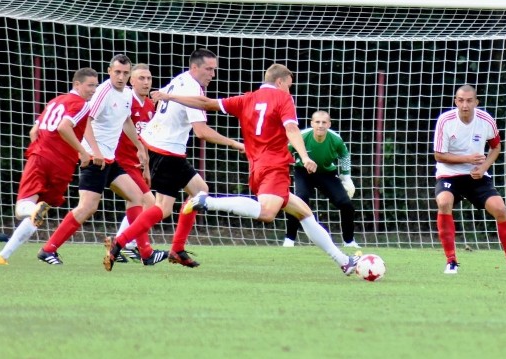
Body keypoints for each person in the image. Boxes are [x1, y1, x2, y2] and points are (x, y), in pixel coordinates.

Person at [109, 63, 360, 276]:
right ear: (282, 82)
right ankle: (209, 203)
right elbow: (292, 130)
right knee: (267, 212)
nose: (289, 89)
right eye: (289, 84)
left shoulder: (247, 98)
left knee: (304, 212)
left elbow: (205, 103)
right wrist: (304, 156)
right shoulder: (283, 97)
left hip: (257, 167)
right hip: (274, 166)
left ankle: (343, 261)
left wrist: (171, 96)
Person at [102, 49, 244, 270]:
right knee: (163, 207)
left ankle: (174, 249)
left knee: (199, 191)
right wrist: (236, 144)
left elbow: (160, 104)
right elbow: (201, 132)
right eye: (209, 69)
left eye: (214, 69)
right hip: (166, 152)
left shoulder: (180, 79)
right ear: (195, 68)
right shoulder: (193, 88)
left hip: (161, 147)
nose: (213, 74)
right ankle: (120, 243)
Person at [35, 55, 168, 266]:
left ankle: (146, 253)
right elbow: (86, 121)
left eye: (125, 73)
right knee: (87, 207)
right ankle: (48, 249)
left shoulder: (125, 95)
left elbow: (126, 122)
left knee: (137, 198)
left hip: (110, 160)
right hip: (96, 160)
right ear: (109, 71)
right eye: (117, 72)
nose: (121, 77)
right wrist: (94, 152)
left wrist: (140, 146)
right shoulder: (103, 92)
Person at [0, 68, 99, 265]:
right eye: (90, 85)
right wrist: (81, 152)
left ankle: (27, 217)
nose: (93, 89)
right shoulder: (82, 104)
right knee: (38, 213)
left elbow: (36, 131)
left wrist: (45, 150)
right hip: (62, 166)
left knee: (24, 208)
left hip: (41, 158)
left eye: (95, 85)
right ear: (77, 84)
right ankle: (3, 256)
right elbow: (64, 128)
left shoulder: (56, 101)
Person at [432, 84, 506, 276]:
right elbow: (439, 155)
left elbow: (496, 147)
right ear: (455, 101)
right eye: (460, 100)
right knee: (444, 202)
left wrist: (483, 168)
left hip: (477, 176)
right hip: (449, 175)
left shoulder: (486, 120)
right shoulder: (445, 120)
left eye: (469, 101)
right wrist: (467, 159)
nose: (464, 105)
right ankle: (451, 261)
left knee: (500, 208)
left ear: (476, 102)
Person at [282, 110, 359, 249]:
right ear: (312, 123)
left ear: (329, 124)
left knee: (346, 204)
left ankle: (349, 242)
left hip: (326, 173)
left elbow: (344, 155)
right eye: (317, 122)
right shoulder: (302, 136)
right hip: (303, 172)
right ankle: (289, 240)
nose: (320, 125)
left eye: (324, 122)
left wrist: (346, 177)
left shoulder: (336, 139)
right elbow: (285, 152)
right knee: (300, 199)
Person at [112, 63, 160, 262]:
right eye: (141, 78)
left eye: (148, 78)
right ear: (131, 81)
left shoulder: (149, 105)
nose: (146, 82)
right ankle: (130, 244)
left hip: (137, 163)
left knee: (138, 203)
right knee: (149, 203)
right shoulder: (125, 101)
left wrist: (147, 166)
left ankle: (123, 243)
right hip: (121, 160)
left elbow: (146, 138)